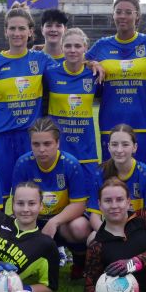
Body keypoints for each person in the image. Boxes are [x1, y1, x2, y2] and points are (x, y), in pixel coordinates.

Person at [0, 3, 55, 197]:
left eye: (22, 28)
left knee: (31, 191)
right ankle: (0, 227)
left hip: (30, 137)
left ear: (31, 32)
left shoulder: (41, 60)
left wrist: (90, 62)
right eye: (13, 28)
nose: (17, 33)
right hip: (0, 137)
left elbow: (68, 68)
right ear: (6, 31)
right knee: (1, 192)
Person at [86, 0, 146, 170]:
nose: (122, 16)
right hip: (110, 123)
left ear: (137, 15)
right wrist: (91, 62)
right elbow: (75, 63)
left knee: (143, 177)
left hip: (144, 124)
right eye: (118, 12)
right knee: (111, 180)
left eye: (128, 12)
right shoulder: (102, 46)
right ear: (113, 15)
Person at [11, 117, 91, 273]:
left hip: (62, 222)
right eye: (36, 144)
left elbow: (80, 205)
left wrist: (54, 222)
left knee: (80, 227)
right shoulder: (22, 163)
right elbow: (18, 203)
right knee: (8, 227)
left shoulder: (70, 164)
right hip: (33, 219)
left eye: (47, 144)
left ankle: (80, 263)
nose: (42, 149)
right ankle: (26, 263)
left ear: (58, 143)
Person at [42, 27, 100, 187]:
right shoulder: (50, 72)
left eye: (77, 46)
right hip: (59, 148)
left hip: (86, 148)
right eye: (68, 46)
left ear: (85, 48)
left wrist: (93, 64)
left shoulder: (94, 73)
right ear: (61, 48)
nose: (72, 50)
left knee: (88, 198)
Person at [87, 124, 146, 232]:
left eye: (125, 144)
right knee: (91, 239)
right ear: (108, 147)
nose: (119, 150)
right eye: (114, 144)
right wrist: (110, 235)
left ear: (134, 147)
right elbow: (94, 216)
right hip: (109, 231)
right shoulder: (99, 174)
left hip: (139, 232)